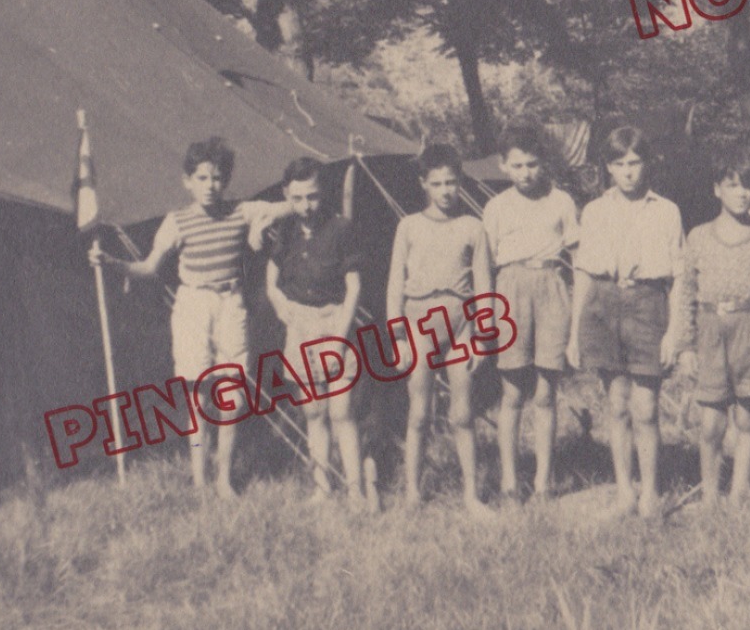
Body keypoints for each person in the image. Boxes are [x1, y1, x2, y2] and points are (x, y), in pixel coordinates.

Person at [90, 136, 291, 499]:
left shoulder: (241, 211)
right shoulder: (177, 221)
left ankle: (224, 479)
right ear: (187, 181)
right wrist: (113, 264)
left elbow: (292, 204)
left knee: (232, 394)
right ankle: (200, 480)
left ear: (226, 180)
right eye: (201, 178)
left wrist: (260, 224)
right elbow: (150, 267)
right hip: (193, 307)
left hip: (231, 304)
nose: (210, 187)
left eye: (216, 178)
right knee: (199, 395)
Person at [568, 126, 685, 518]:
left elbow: (679, 277)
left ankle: (650, 494)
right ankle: (625, 493)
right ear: (608, 168)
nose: (628, 172)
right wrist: (574, 333)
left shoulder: (666, 210)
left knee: (646, 406)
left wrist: (674, 332)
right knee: (616, 404)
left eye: (635, 163)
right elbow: (582, 272)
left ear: (646, 164)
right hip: (603, 304)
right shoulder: (596, 211)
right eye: (619, 164)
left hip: (648, 304)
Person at [677, 152, 750, 504]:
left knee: (747, 417)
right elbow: (686, 295)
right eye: (732, 186)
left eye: (747, 187)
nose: (741, 194)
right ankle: (710, 493)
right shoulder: (698, 236)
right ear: (717, 190)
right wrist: (685, 346)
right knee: (710, 424)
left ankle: (739, 493)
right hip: (711, 329)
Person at [387, 144, 491, 511]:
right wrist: (398, 337)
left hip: (461, 324)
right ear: (423, 185)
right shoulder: (409, 226)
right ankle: (413, 493)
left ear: (460, 182)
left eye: (451, 182)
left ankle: (472, 496)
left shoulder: (472, 227)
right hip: (419, 322)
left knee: (463, 413)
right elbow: (395, 285)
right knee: (419, 412)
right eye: (437, 183)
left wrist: (480, 337)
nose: (446, 190)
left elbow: (484, 286)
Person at [264, 157, 371, 510]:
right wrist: (280, 305)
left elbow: (354, 287)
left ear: (322, 193)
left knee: (341, 412)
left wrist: (341, 340)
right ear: (286, 196)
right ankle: (322, 487)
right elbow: (272, 279)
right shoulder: (287, 230)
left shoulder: (342, 229)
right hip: (301, 327)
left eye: (311, 197)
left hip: (333, 322)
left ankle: (355, 489)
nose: (305, 206)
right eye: (297, 199)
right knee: (313, 412)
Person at [482, 125, 581, 503]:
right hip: (510, 289)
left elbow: (577, 255)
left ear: (543, 164)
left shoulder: (561, 201)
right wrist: (489, 311)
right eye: (518, 165)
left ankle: (543, 481)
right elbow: (486, 266)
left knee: (545, 392)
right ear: (504, 165)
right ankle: (509, 481)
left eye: (532, 164)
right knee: (511, 392)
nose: (526, 173)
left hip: (551, 285)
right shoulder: (496, 207)